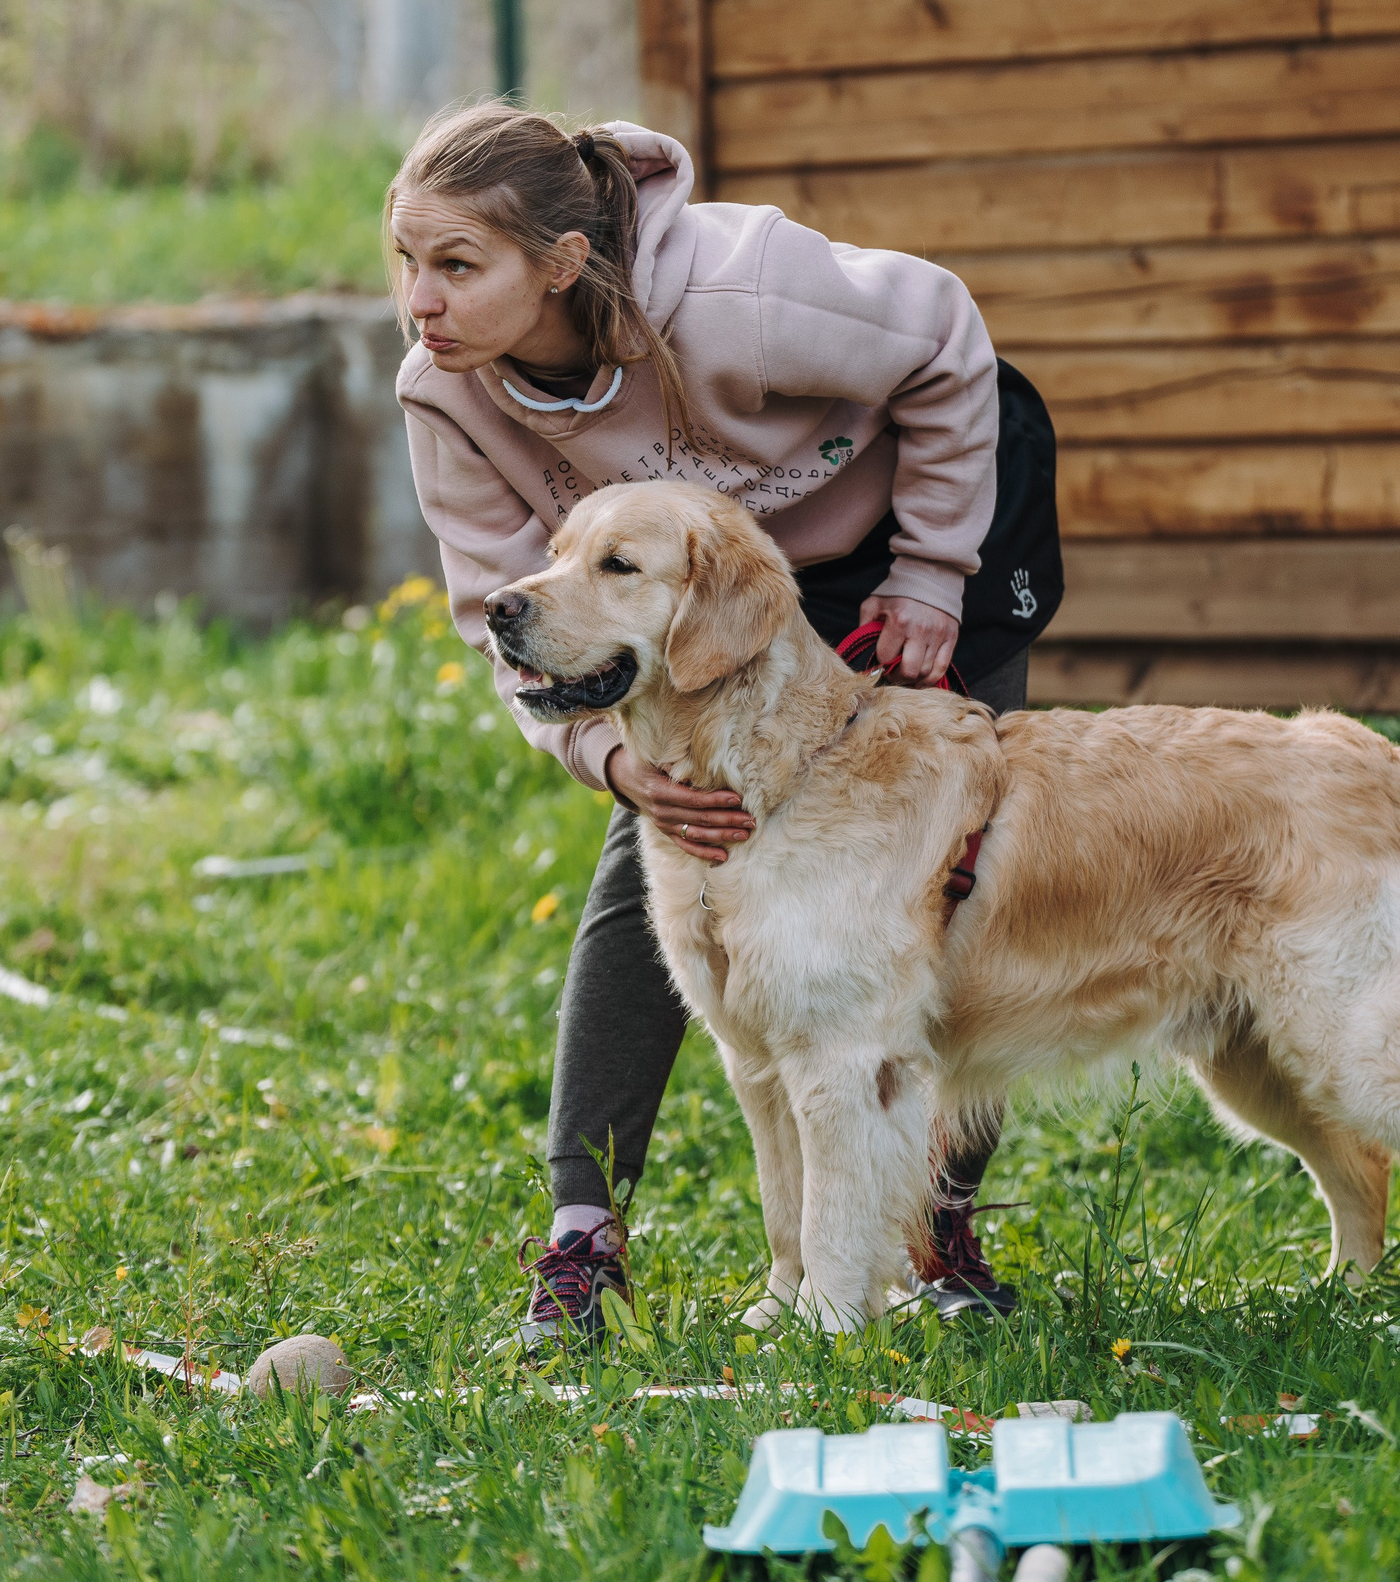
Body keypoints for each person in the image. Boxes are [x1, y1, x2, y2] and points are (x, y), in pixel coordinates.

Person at [386, 102, 1063, 1348]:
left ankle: (934, 1231)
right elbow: (502, 614)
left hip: (921, 520)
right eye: (405, 263)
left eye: (455, 265)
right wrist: (612, 760)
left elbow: (949, 341)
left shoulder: (742, 292)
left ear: (562, 265)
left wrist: (930, 573)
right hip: (680, 585)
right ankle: (583, 1236)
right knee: (654, 849)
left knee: (944, 874)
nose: (417, 300)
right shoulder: (445, 396)